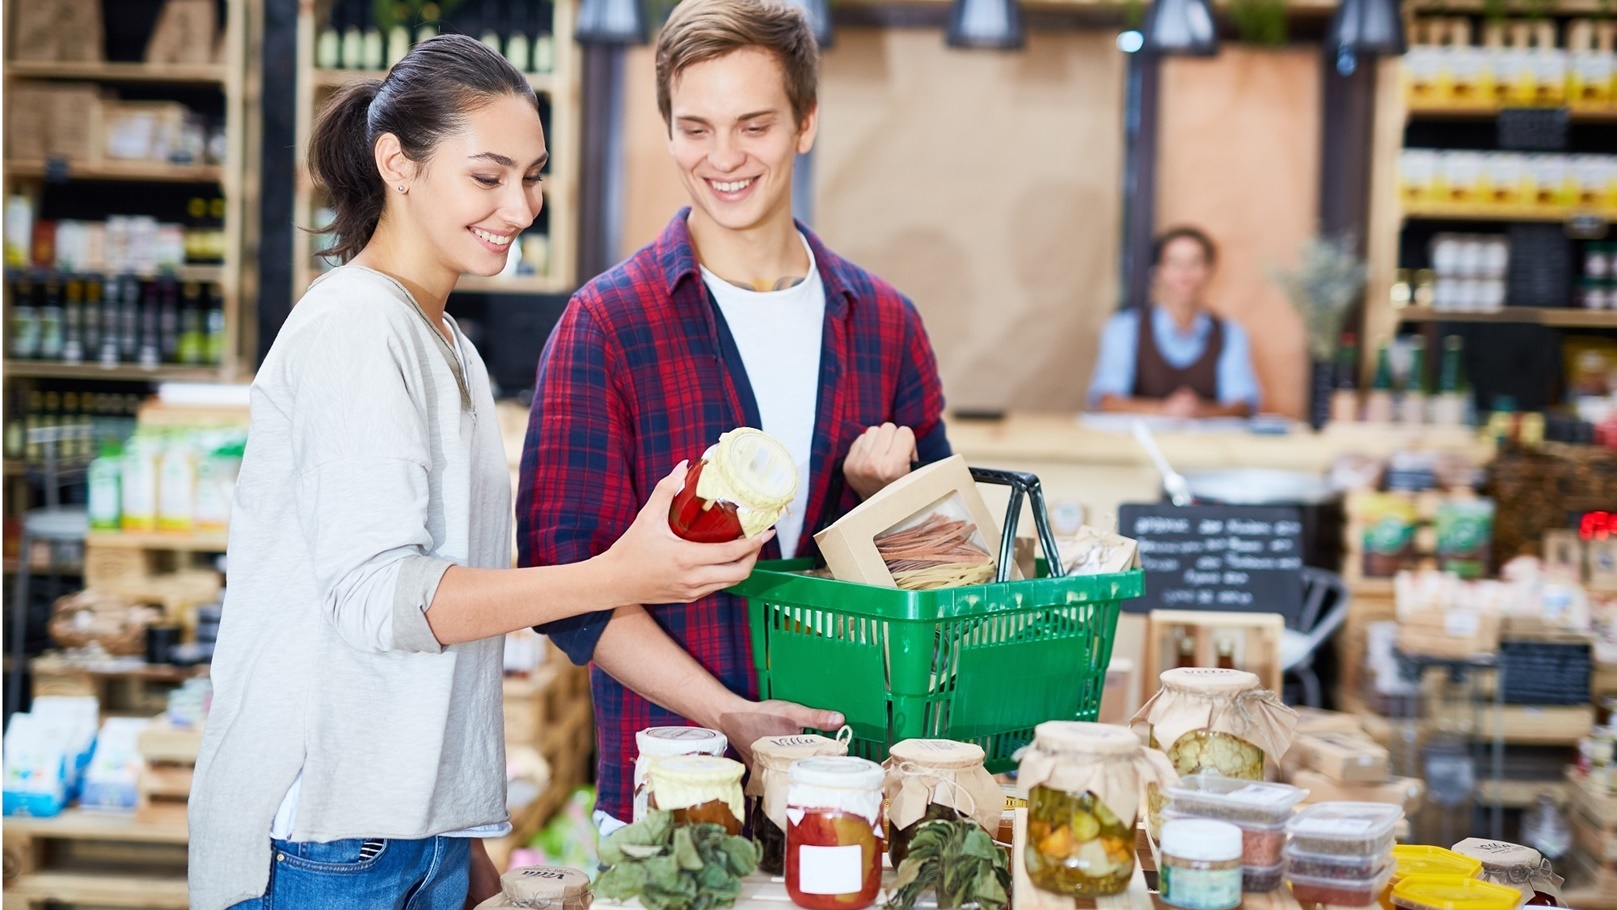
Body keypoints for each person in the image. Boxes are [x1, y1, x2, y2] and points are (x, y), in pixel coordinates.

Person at [189, 36, 774, 910]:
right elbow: (384, 598)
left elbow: (440, 646)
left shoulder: (446, 343)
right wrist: (621, 572)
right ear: (398, 164)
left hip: (411, 836)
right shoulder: (353, 328)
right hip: (318, 843)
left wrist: (464, 850)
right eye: (488, 176)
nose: (520, 205)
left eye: (532, 177)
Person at [517, 0, 951, 833]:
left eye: (753, 125)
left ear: (805, 123)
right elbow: (563, 585)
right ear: (667, 130)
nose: (722, 158)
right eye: (695, 128)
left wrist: (875, 504)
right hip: (675, 804)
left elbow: (945, 569)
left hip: (860, 788)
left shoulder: (887, 324)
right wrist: (727, 715)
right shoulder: (607, 324)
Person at [1088, 226, 1261, 418]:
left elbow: (1243, 405)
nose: (1185, 273)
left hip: (1206, 446)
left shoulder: (1231, 333)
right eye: (1174, 263)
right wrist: (1164, 411)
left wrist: (1199, 412)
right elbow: (1107, 401)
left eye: (1195, 263)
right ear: (1158, 272)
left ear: (1209, 270)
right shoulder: (1124, 329)